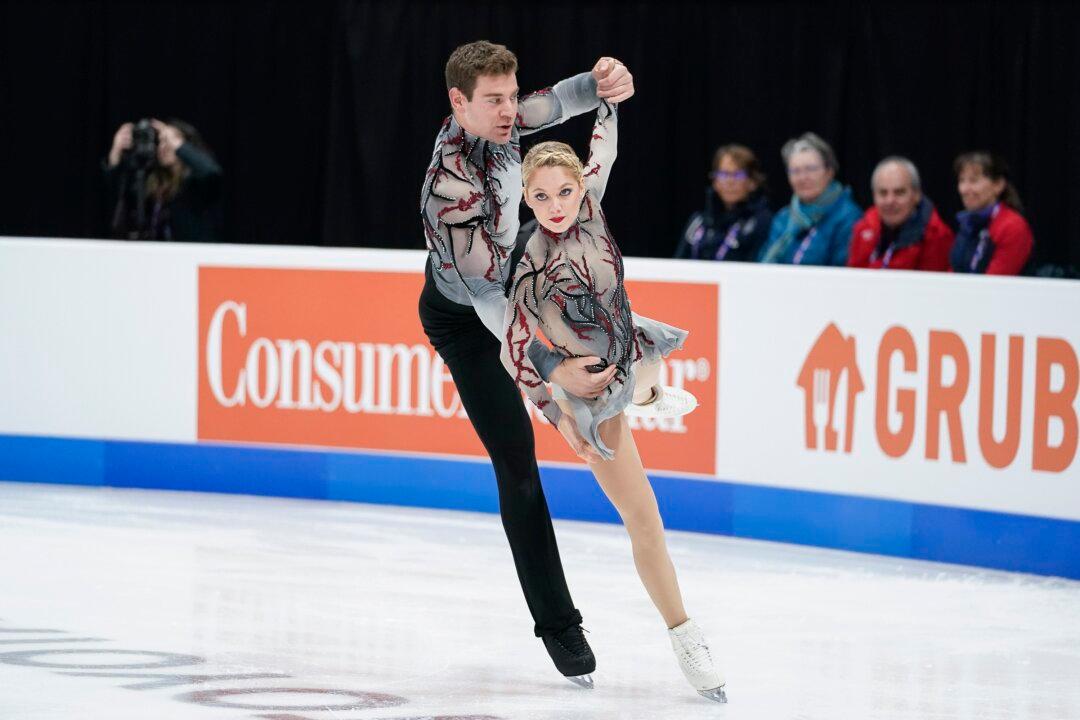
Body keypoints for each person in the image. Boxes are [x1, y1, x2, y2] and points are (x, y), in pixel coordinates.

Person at [418, 40, 634, 688]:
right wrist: (546, 368)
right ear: (459, 103)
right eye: (495, 100)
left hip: (510, 286)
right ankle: (558, 623)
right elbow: (489, 305)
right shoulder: (447, 188)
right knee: (515, 456)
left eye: (512, 95)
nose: (511, 109)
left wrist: (604, 82)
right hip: (464, 316)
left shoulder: (506, 119)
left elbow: (562, 100)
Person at [501, 99, 727, 703]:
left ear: (582, 189)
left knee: (654, 364)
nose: (556, 207)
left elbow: (607, 146)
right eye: (542, 197)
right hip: (590, 392)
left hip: (631, 346)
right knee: (644, 516)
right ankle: (685, 633)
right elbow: (513, 352)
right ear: (527, 198)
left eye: (565, 192)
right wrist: (557, 417)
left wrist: (606, 98)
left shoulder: (593, 207)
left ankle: (650, 389)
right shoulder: (527, 264)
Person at [104, 118, 223, 241]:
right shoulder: (152, 181)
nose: (163, 147)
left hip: (192, 254)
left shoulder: (197, 181)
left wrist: (176, 143)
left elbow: (211, 172)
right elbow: (115, 194)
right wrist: (115, 153)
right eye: (160, 141)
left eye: (168, 141)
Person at [758, 132, 861, 266]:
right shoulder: (783, 218)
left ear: (829, 172)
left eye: (810, 169)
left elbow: (840, 271)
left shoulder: (847, 217)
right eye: (795, 171)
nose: (803, 178)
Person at [847, 156, 954, 271]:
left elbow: (933, 287)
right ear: (874, 196)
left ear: (917, 195)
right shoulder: (862, 228)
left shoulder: (937, 236)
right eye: (883, 193)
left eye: (899, 192)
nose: (890, 201)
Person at [675, 144, 771, 262]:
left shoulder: (761, 221)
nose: (730, 181)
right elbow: (678, 264)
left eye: (738, 175)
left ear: (752, 182)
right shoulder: (698, 221)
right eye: (724, 174)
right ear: (715, 182)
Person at [950, 151, 1034, 275]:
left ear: (998, 185)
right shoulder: (967, 223)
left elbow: (995, 285)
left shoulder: (1012, 227)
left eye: (973, 181)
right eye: (961, 181)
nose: (964, 189)